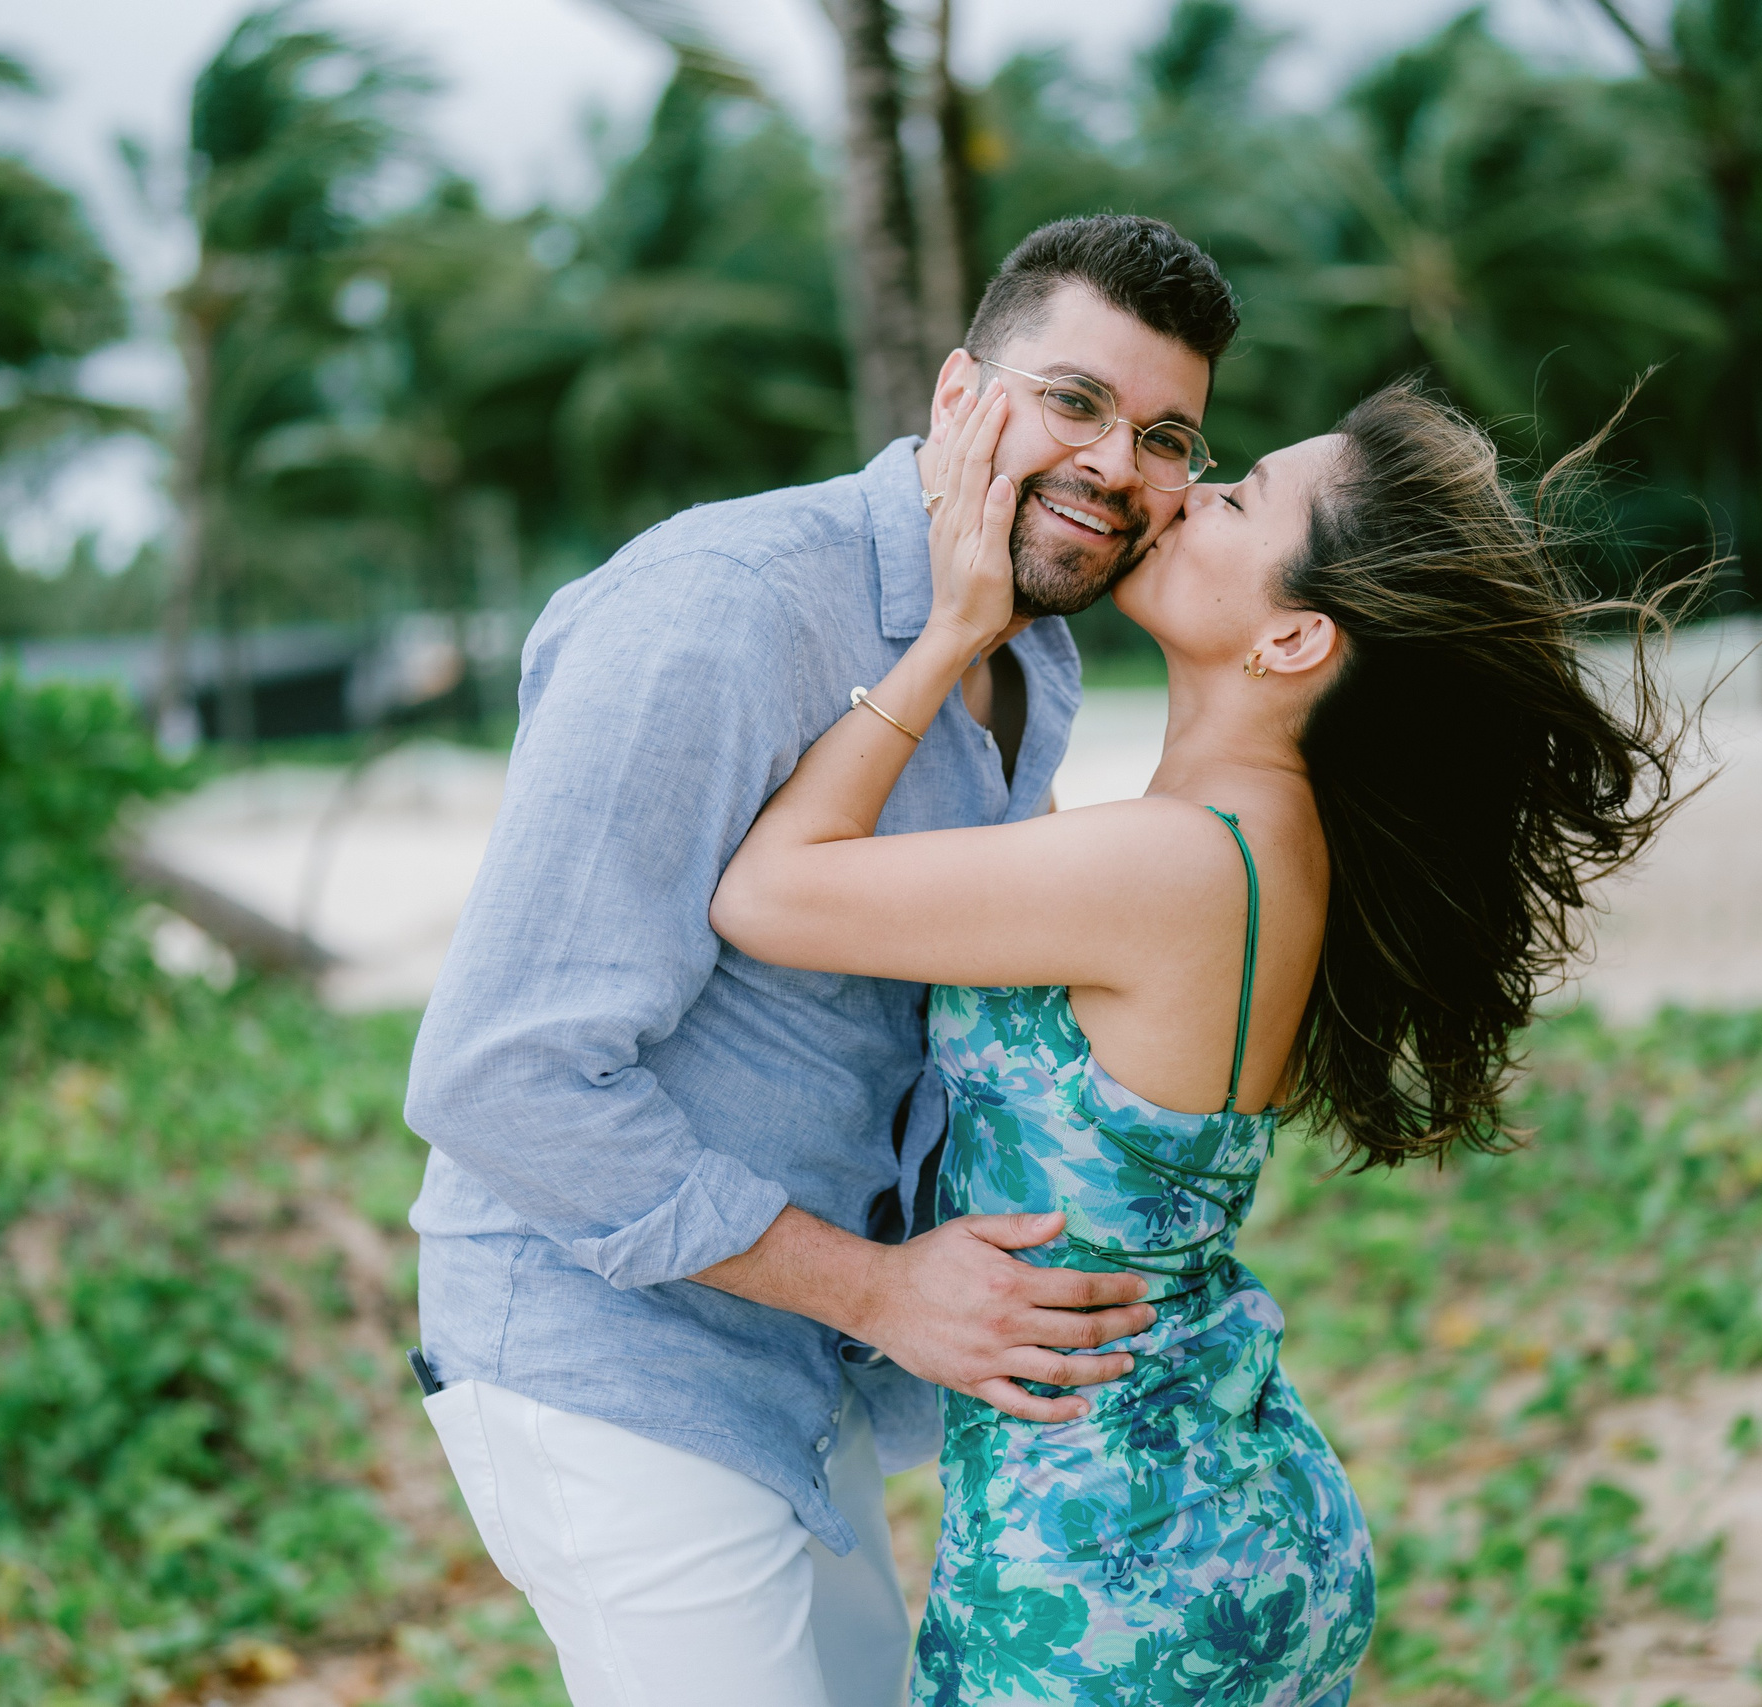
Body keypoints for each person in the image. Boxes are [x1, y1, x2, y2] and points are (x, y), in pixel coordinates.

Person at [709, 373, 1685, 1702]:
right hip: (1201, 1519)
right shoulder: (1250, 842)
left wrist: (946, 636)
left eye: (1234, 498)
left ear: (1291, 642)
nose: (1175, 493)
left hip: (1112, 1574)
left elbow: (766, 896)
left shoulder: (1175, 867)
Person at [401, 214, 1241, 1707]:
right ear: (955, 397)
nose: (1120, 463)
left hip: (793, 1361)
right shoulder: (720, 609)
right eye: (1076, 400)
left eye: (1167, 433)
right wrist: (880, 1292)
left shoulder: (1030, 656)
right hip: (611, 1356)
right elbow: (497, 1076)